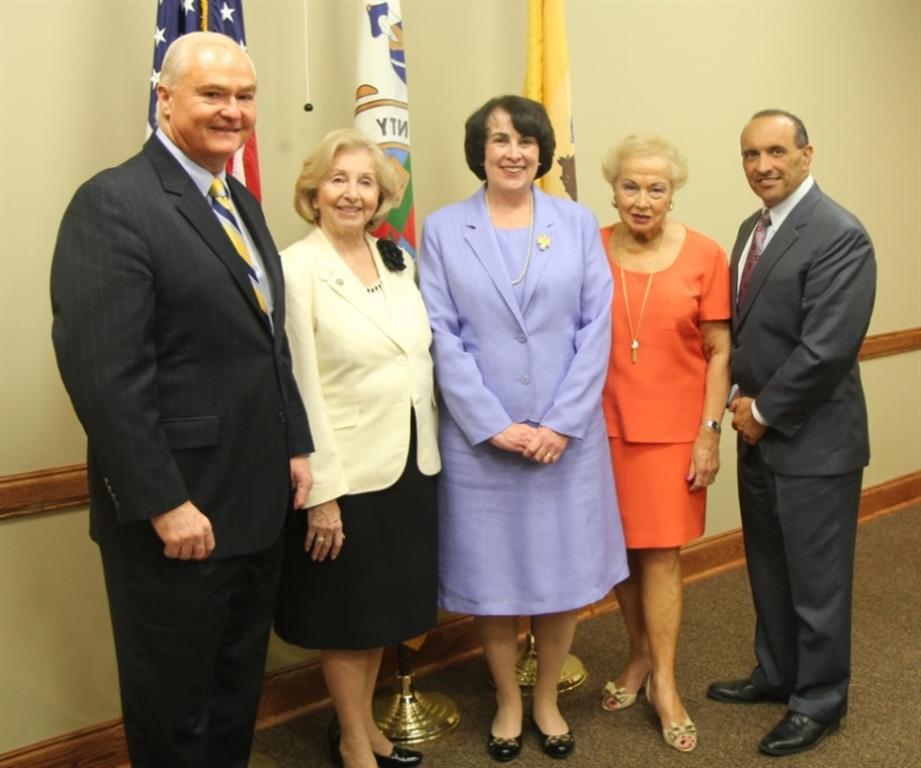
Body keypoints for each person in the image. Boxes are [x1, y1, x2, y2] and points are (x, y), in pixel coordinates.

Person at [50, 32, 313, 768]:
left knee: (233, 695)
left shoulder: (240, 203)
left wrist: (293, 442)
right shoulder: (114, 204)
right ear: (164, 99)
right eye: (212, 94)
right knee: (175, 713)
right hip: (178, 516)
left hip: (255, 500)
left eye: (245, 96)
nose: (233, 111)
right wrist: (164, 501)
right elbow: (106, 375)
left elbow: (268, 341)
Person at [419, 95, 628, 763]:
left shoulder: (574, 221)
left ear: (541, 151)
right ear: (478, 149)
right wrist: (490, 424)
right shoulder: (445, 229)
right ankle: (509, 699)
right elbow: (439, 333)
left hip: (564, 441)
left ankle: (546, 700)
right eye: (499, 139)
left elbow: (596, 328)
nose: (513, 151)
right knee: (496, 579)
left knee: (560, 575)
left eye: (526, 140)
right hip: (482, 446)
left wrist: (561, 423)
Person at [707, 110, 876, 757]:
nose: (761, 165)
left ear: (806, 155)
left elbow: (825, 348)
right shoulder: (751, 230)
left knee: (816, 581)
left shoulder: (838, 234)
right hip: (759, 435)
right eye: (750, 154)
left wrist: (761, 411)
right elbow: (745, 335)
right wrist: (735, 403)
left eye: (775, 151)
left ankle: (819, 700)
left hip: (813, 442)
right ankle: (777, 675)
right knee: (770, 568)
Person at [274, 128, 440, 768]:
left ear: (382, 196)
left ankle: (365, 724)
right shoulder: (295, 269)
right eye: (338, 180)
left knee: (380, 611)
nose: (351, 193)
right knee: (346, 615)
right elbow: (301, 386)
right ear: (313, 191)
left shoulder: (396, 259)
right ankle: (351, 740)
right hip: (344, 475)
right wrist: (322, 494)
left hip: (410, 462)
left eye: (365, 182)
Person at [598, 135, 730, 753]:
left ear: (673, 192)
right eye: (631, 186)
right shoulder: (590, 247)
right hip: (601, 429)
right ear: (613, 188)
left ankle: (666, 684)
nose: (642, 199)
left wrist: (709, 433)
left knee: (660, 557)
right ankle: (638, 656)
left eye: (656, 188)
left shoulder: (705, 255)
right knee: (620, 555)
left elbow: (719, 350)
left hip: (675, 432)